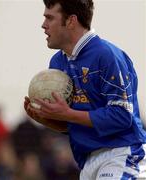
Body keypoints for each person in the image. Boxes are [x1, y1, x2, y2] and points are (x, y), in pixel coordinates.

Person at [24, 0, 146, 179]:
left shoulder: (106, 55)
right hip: (88, 160)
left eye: (49, 18)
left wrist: (66, 114)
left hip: (122, 153)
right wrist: (48, 118)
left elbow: (122, 116)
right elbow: (74, 123)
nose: (43, 25)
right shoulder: (57, 63)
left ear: (71, 21)